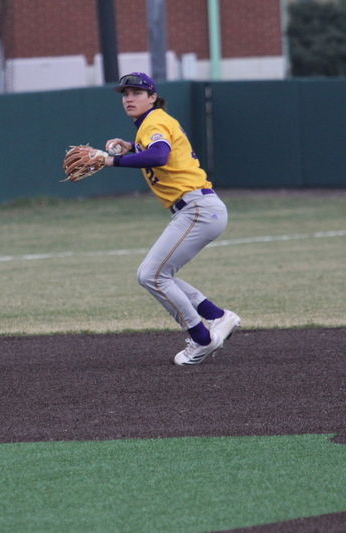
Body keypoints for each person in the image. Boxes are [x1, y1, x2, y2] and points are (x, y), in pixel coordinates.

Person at [103, 72, 241, 365]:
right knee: (158, 275)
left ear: (153, 98)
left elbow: (159, 156)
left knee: (151, 275)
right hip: (200, 208)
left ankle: (202, 339)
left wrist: (112, 160)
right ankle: (218, 316)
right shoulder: (151, 124)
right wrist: (131, 146)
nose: (129, 98)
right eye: (125, 94)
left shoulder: (154, 121)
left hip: (197, 209)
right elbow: (157, 150)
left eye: (137, 93)